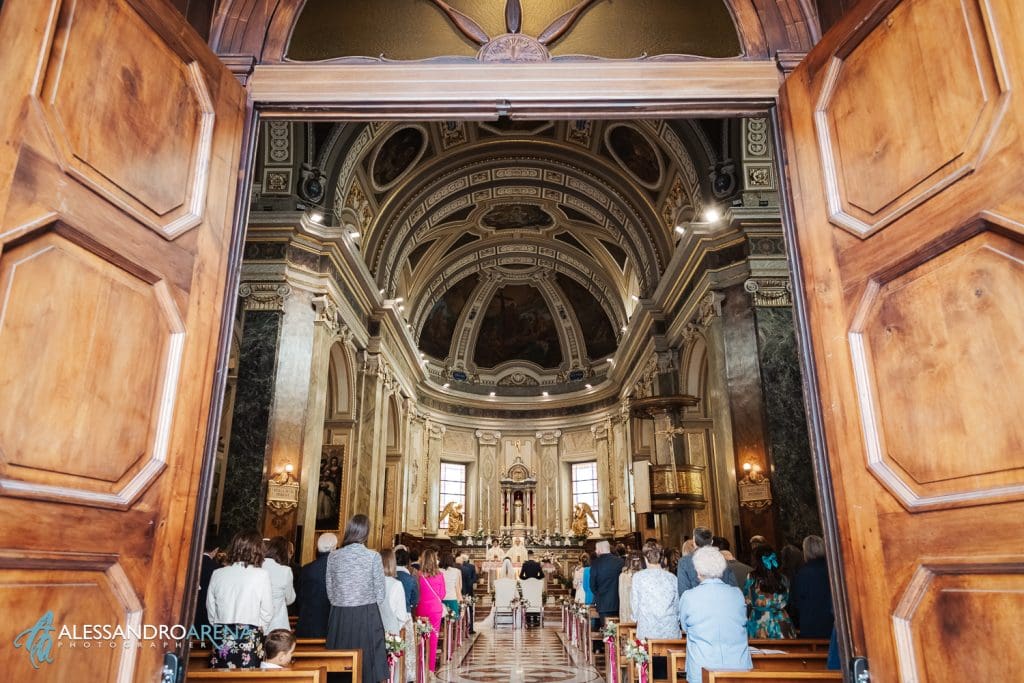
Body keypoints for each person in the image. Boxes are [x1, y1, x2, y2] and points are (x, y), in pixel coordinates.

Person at [325, 514, 388, 683]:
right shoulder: (373, 557)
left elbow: (330, 591)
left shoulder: (333, 556)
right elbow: (380, 593)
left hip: (339, 617)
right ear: (366, 533)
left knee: (339, 668)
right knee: (367, 668)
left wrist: (344, 600)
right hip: (366, 615)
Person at [678, 547, 752, 683]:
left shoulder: (688, 597)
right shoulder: (737, 594)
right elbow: (743, 622)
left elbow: (685, 627)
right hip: (738, 667)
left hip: (702, 668)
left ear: (698, 571)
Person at [206, 530, 274, 669]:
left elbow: (210, 607)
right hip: (250, 633)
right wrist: (258, 629)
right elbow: (267, 611)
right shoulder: (261, 575)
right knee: (248, 677)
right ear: (257, 550)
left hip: (222, 631)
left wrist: (218, 626)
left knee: (220, 676)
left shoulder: (218, 573)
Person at [631, 542, 680, 680]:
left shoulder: (638, 578)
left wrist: (635, 618)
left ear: (645, 558)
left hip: (648, 631)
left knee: (650, 671)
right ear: (661, 557)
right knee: (668, 671)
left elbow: (635, 605)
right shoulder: (672, 578)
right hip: (670, 632)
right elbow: (677, 607)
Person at [743, 545, 796, 639]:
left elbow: (747, 599)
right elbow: (788, 598)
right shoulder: (783, 578)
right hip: (781, 620)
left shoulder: (752, 577)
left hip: (759, 621)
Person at [295, 532, 337, 638]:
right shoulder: (337, 569)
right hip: (329, 627)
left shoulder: (305, 569)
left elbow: (299, 598)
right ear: (334, 548)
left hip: (306, 626)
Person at [793, 535, 833, 638]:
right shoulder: (833, 571)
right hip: (832, 623)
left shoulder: (801, 574)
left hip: (810, 626)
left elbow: (795, 602)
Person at [414, 549, 446, 673]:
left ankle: (419, 668)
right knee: (433, 638)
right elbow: (442, 594)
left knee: (420, 638)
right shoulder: (440, 575)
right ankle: (431, 669)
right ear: (434, 560)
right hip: (435, 609)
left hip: (421, 608)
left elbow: (416, 593)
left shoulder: (418, 575)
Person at [678, 527, 735, 594]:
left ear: (694, 542)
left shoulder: (684, 562)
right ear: (712, 542)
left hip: (696, 603)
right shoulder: (721, 558)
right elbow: (732, 588)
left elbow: (683, 592)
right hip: (722, 602)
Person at [589, 540, 625, 643]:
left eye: (596, 549)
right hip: (619, 602)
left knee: (607, 632)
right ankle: (618, 655)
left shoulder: (596, 563)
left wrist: (599, 595)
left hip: (603, 604)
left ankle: (609, 656)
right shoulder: (620, 562)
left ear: (599, 550)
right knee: (619, 632)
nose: (596, 551)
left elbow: (592, 585)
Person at [263, 536, 297, 632]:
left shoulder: (257, 566)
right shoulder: (285, 570)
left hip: (258, 623)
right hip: (277, 623)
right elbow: (290, 599)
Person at [379, 549, 412, 637]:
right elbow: (401, 615)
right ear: (393, 564)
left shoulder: (371, 582)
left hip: (372, 630)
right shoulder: (396, 584)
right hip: (390, 631)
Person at [194, 535, 222, 631]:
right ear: (215, 550)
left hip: (189, 614)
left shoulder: (192, 564)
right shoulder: (217, 569)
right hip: (207, 616)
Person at [395, 547, 420, 613]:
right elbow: (415, 600)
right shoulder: (411, 579)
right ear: (408, 562)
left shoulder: (387, 577)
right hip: (405, 612)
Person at [618, 554, 642, 622]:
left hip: (635, 611)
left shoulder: (643, 576)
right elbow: (622, 595)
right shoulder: (623, 576)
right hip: (628, 609)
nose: (636, 564)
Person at [440, 551, 463, 619]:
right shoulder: (457, 571)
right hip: (452, 598)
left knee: (441, 624)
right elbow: (458, 589)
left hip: (440, 599)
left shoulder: (437, 571)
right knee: (453, 623)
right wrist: (461, 604)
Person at [458, 554, 477, 633]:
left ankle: (461, 628)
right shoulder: (472, 566)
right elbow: (474, 578)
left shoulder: (456, 567)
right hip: (469, 590)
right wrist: (470, 584)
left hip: (459, 590)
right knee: (470, 610)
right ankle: (470, 628)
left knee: (460, 609)